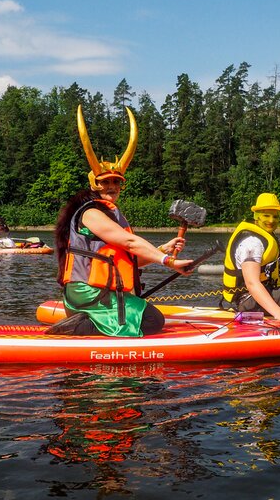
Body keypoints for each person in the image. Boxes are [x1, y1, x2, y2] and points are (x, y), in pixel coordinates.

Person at [47, 105, 193, 337]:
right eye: (105, 183)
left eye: (116, 183)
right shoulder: (91, 213)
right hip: (87, 293)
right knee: (154, 320)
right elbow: (129, 242)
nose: (112, 187)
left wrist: (161, 249)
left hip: (100, 291)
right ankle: (76, 327)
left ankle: (86, 323)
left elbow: (126, 260)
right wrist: (167, 260)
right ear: (95, 185)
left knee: (151, 319)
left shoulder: (111, 214)